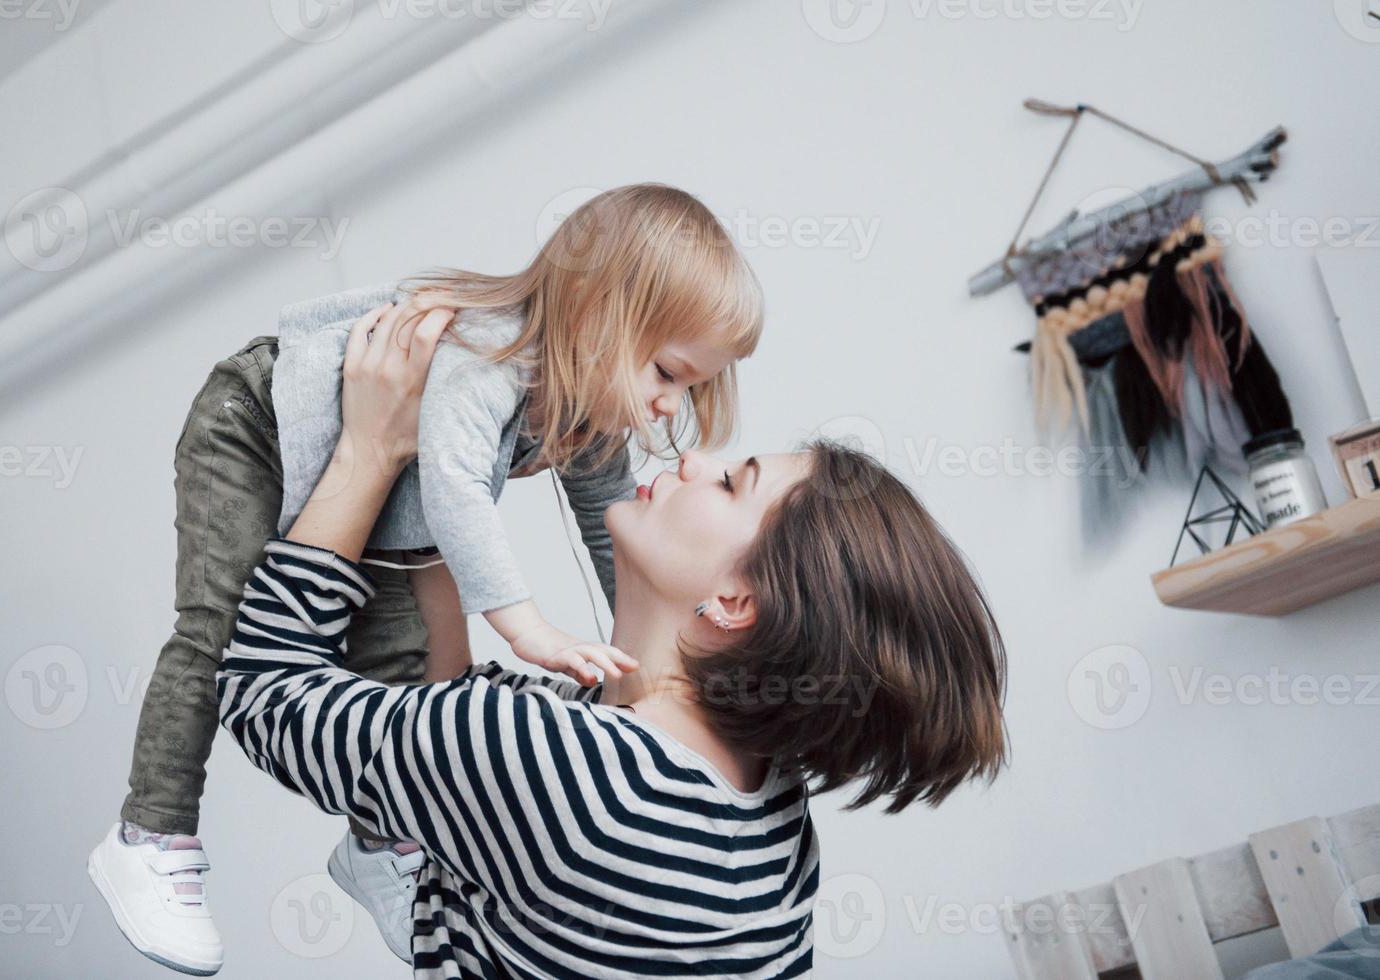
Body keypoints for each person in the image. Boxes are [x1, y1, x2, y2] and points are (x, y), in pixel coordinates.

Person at [87, 184, 765, 975]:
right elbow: (454, 492)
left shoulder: (591, 414)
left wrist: (649, 680)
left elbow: (613, 537)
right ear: (598, 309)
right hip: (258, 428)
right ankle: (150, 833)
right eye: (665, 371)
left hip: (378, 494)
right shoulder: (490, 357)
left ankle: (382, 844)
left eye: (686, 387)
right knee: (219, 629)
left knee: (414, 668)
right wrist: (527, 625)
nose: (667, 406)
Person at [216, 305, 1009, 976]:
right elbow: (456, 729)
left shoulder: (578, 776)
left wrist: (371, 449)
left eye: (734, 483)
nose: (696, 460)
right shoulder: (767, 812)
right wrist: (443, 493)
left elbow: (258, 688)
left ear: (735, 601)